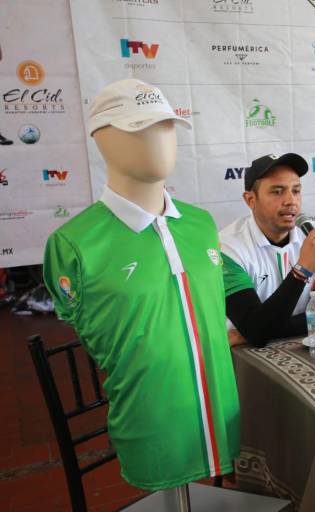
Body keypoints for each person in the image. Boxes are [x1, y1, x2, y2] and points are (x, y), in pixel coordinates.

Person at [43, 79, 239, 490]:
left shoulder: (201, 224)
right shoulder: (74, 244)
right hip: (151, 429)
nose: (160, 141)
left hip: (225, 415)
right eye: (140, 129)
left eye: (166, 127)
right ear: (102, 138)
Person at [220, 153, 315, 347]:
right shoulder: (227, 249)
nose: (290, 201)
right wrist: (303, 269)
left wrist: (254, 330)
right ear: (250, 199)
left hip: (304, 346)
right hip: (246, 359)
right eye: (277, 192)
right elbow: (257, 333)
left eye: (296, 191)